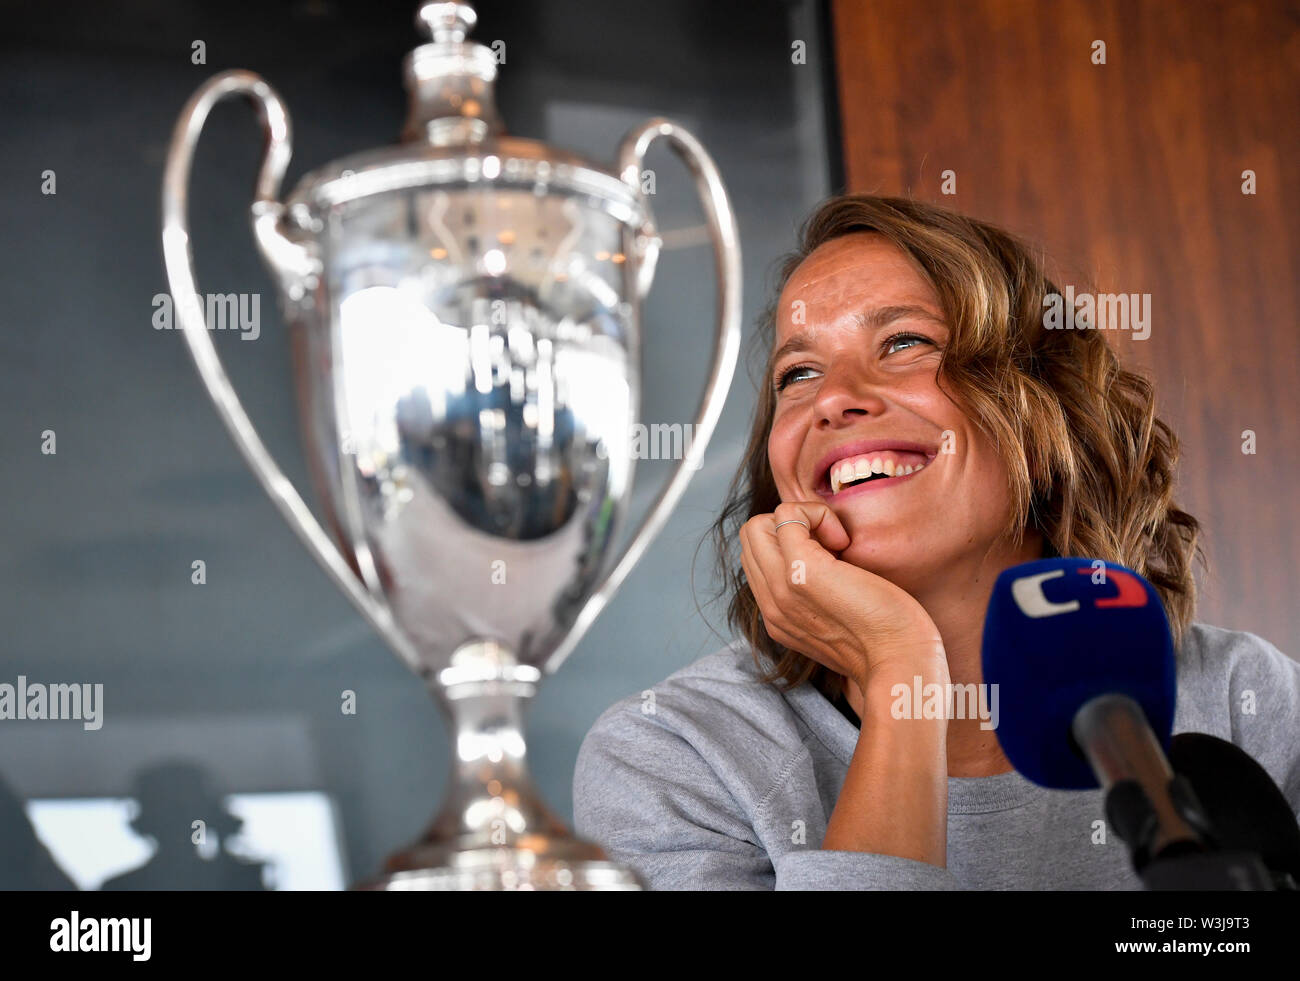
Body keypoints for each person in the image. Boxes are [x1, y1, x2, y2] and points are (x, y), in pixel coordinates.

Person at [572, 194, 1300, 889]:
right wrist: (900, 677)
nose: (833, 397)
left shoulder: (1242, 699)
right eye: (799, 372)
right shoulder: (675, 754)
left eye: (903, 341)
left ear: (1048, 406)